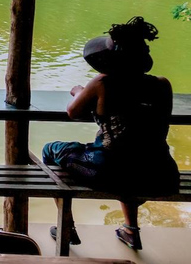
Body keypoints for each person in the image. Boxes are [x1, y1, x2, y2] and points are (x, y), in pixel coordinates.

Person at [43, 16, 179, 251]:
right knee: (134, 155)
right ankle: (130, 230)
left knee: (50, 150)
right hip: (161, 174)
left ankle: (66, 226)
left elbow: (73, 112)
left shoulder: (102, 83)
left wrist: (80, 91)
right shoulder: (162, 85)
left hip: (110, 172)